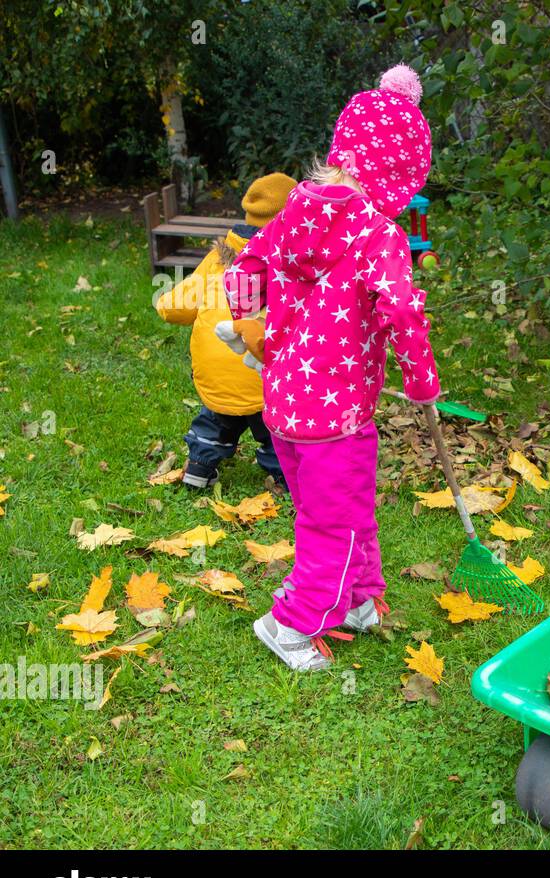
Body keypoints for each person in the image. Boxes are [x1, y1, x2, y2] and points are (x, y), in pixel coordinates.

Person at [223, 64, 439, 671]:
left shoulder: (295, 208)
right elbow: (402, 307)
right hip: (337, 412)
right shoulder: (379, 234)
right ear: (400, 172)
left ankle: (359, 598)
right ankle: (291, 622)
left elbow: (243, 271)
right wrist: (421, 381)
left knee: (345, 507)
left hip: (287, 404)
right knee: (332, 525)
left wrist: (250, 327)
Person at [155, 172, 296, 488]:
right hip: (264, 372)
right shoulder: (293, 261)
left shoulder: (220, 257)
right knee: (276, 429)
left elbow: (180, 303)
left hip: (215, 369)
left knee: (216, 420)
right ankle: (285, 474)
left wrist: (164, 303)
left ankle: (200, 464)